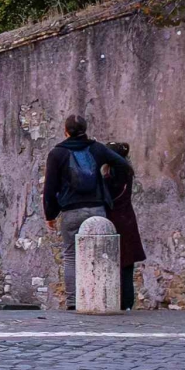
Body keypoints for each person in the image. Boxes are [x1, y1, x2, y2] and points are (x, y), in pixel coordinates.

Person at [43, 114, 132, 309]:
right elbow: (123, 165)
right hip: (97, 208)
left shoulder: (57, 154)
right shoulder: (97, 148)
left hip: (70, 211)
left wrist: (50, 214)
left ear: (65, 131)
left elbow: (50, 187)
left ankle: (73, 303)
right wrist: (107, 182)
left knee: (70, 256)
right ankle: (99, 298)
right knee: (100, 254)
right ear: (85, 129)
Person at [104, 141, 146, 310]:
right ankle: (126, 302)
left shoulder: (111, 178)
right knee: (126, 265)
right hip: (127, 220)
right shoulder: (127, 174)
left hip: (115, 220)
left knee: (118, 264)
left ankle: (120, 301)